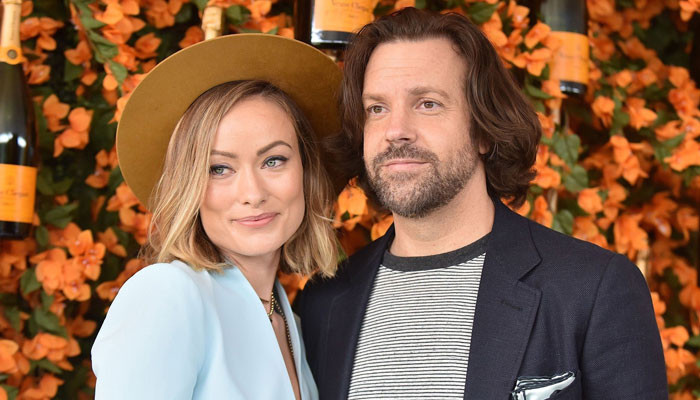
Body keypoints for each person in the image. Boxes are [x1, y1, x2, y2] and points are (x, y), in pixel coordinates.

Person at [299, 8, 667, 400]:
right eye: (377, 108)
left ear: (484, 131)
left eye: (427, 103)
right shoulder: (322, 303)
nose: (396, 131)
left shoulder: (593, 290)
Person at [91, 33, 341, 400]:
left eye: (274, 160)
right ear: (189, 185)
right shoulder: (168, 295)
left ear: (306, 170)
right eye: (219, 169)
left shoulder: (290, 321)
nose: (253, 193)